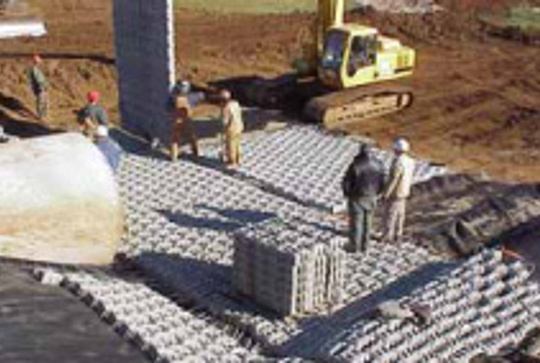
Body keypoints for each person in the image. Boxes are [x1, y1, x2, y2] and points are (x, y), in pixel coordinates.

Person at [342, 144, 385, 253]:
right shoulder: (379, 165)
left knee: (357, 222)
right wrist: (377, 193)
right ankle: (365, 246)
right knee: (368, 222)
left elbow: (347, 182)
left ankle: (355, 246)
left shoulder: (356, 165)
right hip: (372, 197)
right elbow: (383, 182)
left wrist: (348, 194)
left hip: (357, 197)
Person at [382, 138, 415, 244]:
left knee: (390, 215)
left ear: (397, 150)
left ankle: (387, 236)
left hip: (396, 193)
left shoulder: (398, 162)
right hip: (405, 192)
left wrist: (386, 193)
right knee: (401, 215)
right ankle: (398, 235)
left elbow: (393, 179)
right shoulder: (411, 161)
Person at [170, 80, 204, 161]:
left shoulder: (174, 99)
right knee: (192, 137)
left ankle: (173, 157)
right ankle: (196, 152)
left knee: (175, 139)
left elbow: (168, 108)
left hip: (176, 121)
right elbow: (201, 96)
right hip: (186, 120)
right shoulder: (189, 98)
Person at [219, 89, 244, 168]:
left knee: (231, 146)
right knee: (237, 144)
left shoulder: (226, 108)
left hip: (231, 129)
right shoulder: (235, 103)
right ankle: (239, 160)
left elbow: (225, 122)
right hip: (239, 126)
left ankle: (232, 162)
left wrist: (222, 130)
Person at [27, 54, 48, 120]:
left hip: (43, 88)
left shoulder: (37, 69)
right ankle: (41, 116)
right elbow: (37, 80)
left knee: (44, 102)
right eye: (39, 61)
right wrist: (41, 87)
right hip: (40, 88)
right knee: (41, 102)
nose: (40, 62)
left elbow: (41, 79)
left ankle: (44, 115)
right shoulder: (34, 69)